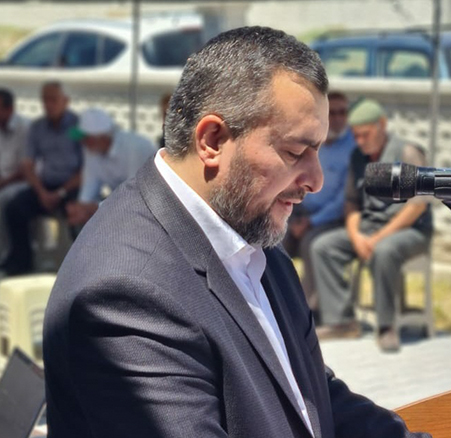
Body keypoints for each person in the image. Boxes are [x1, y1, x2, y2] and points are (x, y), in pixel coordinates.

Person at [43, 27, 431, 438]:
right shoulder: (125, 295)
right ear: (212, 140)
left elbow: (308, 395)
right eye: (295, 152)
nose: (316, 180)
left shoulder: (249, 232)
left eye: (317, 150)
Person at [312, 99, 432, 353]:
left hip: (410, 230)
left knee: (384, 250)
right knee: (323, 246)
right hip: (369, 227)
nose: (360, 141)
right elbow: (351, 203)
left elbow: (417, 206)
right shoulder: (358, 157)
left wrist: (377, 239)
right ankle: (341, 322)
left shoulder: (408, 153)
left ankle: (386, 326)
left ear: (382, 125)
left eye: (365, 135)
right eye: (356, 136)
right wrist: (356, 236)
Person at [283, 90, 356, 313]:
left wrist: (312, 222)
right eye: (332, 113)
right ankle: (279, 303)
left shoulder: (354, 148)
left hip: (331, 219)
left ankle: (308, 310)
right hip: (300, 211)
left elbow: (344, 199)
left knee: (312, 244)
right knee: (275, 239)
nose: (338, 118)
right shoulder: (309, 141)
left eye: (343, 112)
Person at [0, 81, 82, 276]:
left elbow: (87, 166)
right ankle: (22, 262)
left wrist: (61, 192)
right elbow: (28, 164)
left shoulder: (77, 127)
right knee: (15, 208)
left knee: (78, 214)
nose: (48, 105)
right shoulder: (38, 128)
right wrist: (41, 192)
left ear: (65, 101)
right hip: (45, 186)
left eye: (53, 100)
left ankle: (79, 268)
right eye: (45, 100)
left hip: (72, 186)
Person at [65, 107, 155, 227]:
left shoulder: (135, 148)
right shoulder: (92, 150)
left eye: (85, 139)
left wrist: (95, 208)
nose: (82, 143)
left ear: (100, 137)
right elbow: (90, 183)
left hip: (151, 208)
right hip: (120, 205)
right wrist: (81, 208)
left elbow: (134, 196)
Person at [0, 88, 30, 261]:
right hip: (4, 180)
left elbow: (27, 168)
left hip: (22, 181)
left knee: (3, 199)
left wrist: (4, 182)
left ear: (9, 109)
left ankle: (5, 255)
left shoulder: (25, 128)